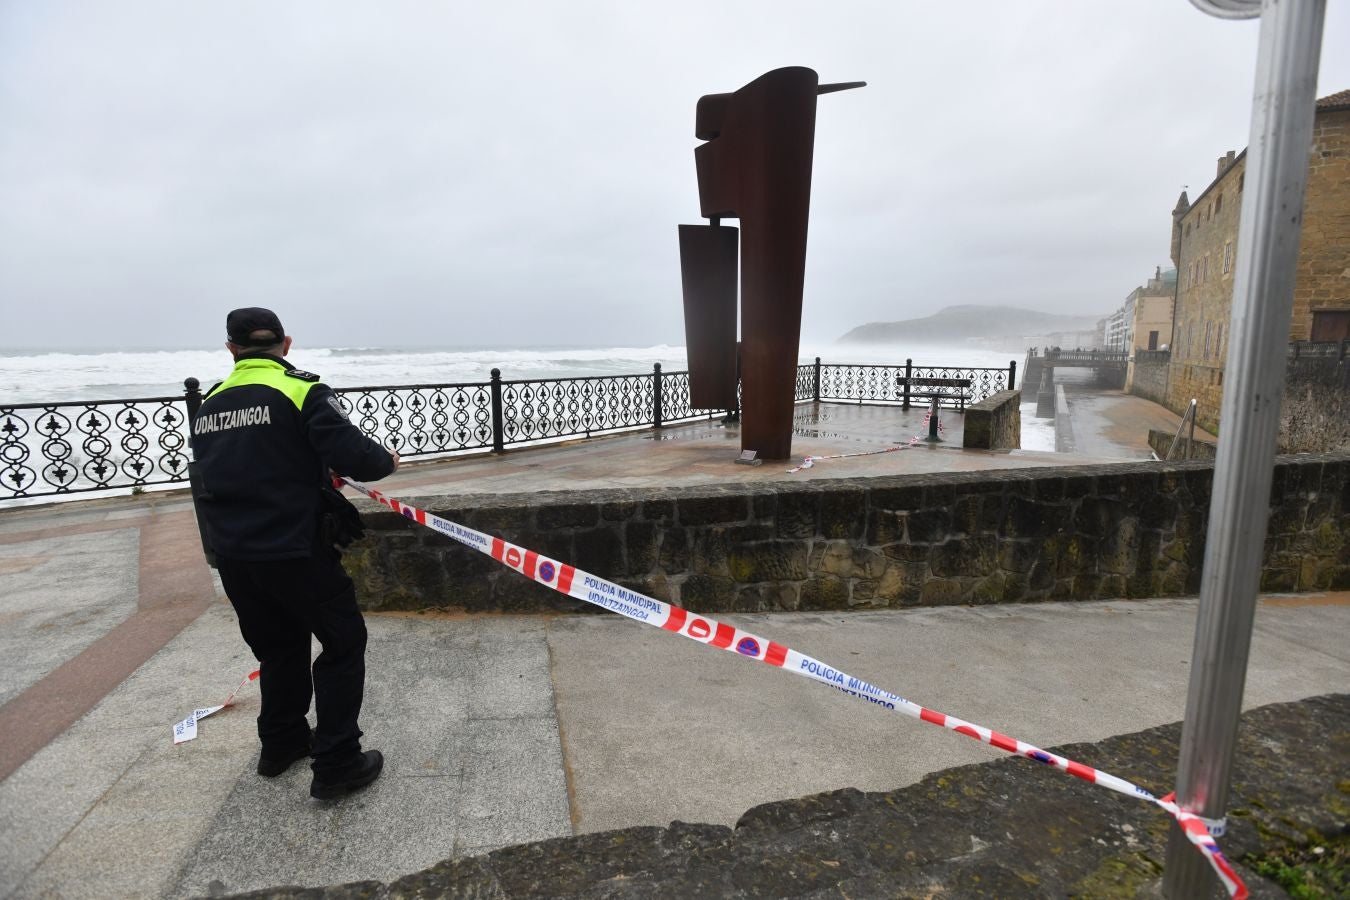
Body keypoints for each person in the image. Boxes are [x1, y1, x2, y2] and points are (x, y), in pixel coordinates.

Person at [191, 308, 399, 800]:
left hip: (236, 557)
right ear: (284, 344)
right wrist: (386, 461)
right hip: (294, 550)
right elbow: (359, 458)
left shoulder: (209, 404)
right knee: (342, 642)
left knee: (279, 648)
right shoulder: (301, 390)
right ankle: (338, 763)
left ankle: (280, 744)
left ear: (232, 349)